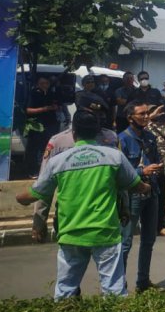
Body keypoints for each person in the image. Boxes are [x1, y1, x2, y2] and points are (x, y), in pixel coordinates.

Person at [15, 110, 150, 301]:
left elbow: (33, 195)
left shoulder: (57, 162)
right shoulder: (114, 157)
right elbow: (136, 186)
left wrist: (18, 197)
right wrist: (146, 187)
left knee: (65, 292)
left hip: (71, 233)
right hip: (106, 232)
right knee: (114, 292)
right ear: (97, 133)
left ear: (74, 133)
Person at [31, 93, 119, 243]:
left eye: (100, 114)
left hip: (105, 216)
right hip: (70, 217)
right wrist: (39, 222)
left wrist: (124, 210)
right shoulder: (59, 141)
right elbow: (45, 184)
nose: (98, 118)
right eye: (93, 114)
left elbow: (120, 178)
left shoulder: (110, 138)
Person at [118, 101, 163, 292]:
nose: (146, 117)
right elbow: (119, 171)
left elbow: (156, 160)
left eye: (147, 113)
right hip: (132, 196)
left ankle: (143, 282)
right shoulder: (122, 139)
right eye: (141, 114)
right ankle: (119, 286)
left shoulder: (150, 137)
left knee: (148, 240)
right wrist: (141, 171)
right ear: (130, 118)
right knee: (126, 242)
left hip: (151, 193)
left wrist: (157, 168)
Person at [147, 104, 165, 237]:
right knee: (155, 199)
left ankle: (164, 224)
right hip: (152, 168)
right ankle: (156, 225)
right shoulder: (147, 126)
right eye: (153, 111)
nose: (157, 113)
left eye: (159, 111)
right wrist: (150, 118)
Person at [25, 75, 60, 178]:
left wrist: (55, 107)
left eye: (47, 83)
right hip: (36, 125)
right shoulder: (34, 94)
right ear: (37, 84)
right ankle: (33, 171)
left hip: (50, 125)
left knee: (48, 148)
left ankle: (46, 170)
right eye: (42, 83)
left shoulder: (51, 94)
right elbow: (28, 110)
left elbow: (57, 106)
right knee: (34, 149)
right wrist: (44, 109)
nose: (45, 85)